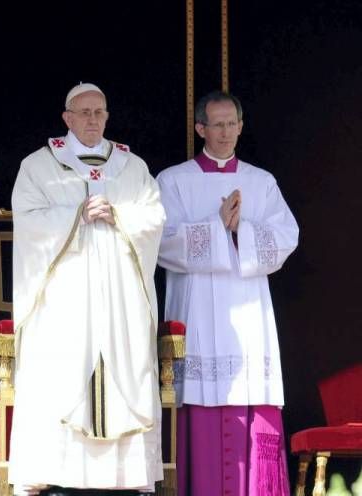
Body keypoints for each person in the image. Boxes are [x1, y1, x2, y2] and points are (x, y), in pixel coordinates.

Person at [8, 83, 166, 495]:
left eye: (99, 112)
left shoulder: (132, 167)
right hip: (65, 297)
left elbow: (154, 218)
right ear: (67, 118)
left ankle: (127, 478)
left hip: (120, 298)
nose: (93, 119)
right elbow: (26, 219)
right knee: (60, 373)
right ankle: (56, 474)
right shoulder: (39, 165)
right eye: (84, 112)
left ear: (107, 116)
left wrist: (119, 216)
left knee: (124, 372)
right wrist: (75, 214)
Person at [156, 90, 299, 496]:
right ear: (200, 127)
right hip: (197, 307)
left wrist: (241, 231)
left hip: (248, 311)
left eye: (231, 124)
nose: (225, 132)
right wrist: (215, 224)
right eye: (216, 124)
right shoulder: (173, 180)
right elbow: (160, 242)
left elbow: (288, 236)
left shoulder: (261, 181)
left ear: (241, 126)